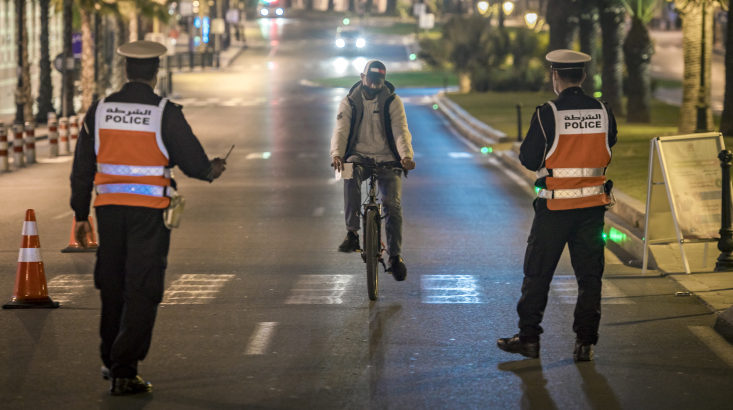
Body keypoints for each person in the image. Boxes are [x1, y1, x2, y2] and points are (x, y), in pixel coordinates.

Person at [70, 40, 227, 395]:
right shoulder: (164, 112)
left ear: (125, 70)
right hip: (149, 215)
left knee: (112, 286)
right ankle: (125, 369)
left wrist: (80, 215)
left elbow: (82, 169)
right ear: (156, 72)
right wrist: (211, 170)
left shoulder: (100, 110)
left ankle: (111, 361)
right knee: (142, 288)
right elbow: (192, 162)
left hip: (107, 213)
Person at [497, 49, 618, 362]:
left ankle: (528, 340)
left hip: (553, 211)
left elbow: (528, 158)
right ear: (583, 76)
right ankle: (585, 343)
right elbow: (610, 143)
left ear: (555, 76)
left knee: (537, 275)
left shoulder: (548, 113)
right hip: (593, 210)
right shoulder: (603, 111)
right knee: (589, 277)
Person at [330, 60, 416, 281]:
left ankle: (395, 257)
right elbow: (341, 130)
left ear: (383, 81)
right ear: (362, 77)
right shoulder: (350, 101)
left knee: (392, 204)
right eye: (371, 80)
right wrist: (337, 154)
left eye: (379, 82)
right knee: (348, 175)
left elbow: (400, 130)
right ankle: (352, 232)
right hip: (359, 156)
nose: (375, 85)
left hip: (389, 159)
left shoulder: (392, 101)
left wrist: (406, 156)